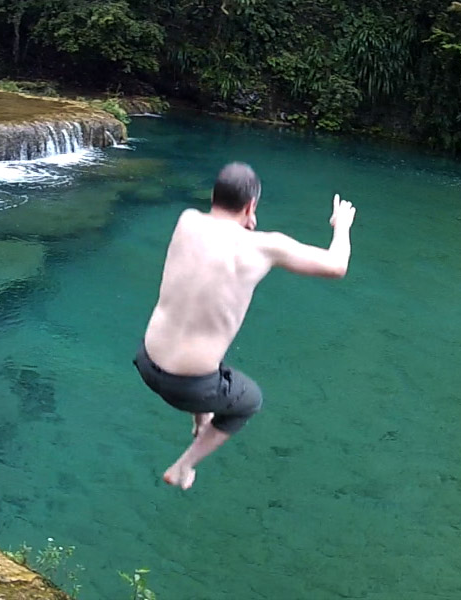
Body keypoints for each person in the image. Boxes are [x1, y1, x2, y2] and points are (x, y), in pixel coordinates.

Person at [133, 162, 356, 490]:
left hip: (147, 362)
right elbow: (337, 266)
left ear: (213, 196)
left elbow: (217, 244)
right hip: (188, 387)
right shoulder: (264, 246)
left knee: (206, 338)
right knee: (248, 400)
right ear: (251, 206)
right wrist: (342, 226)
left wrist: (244, 220)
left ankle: (201, 420)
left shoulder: (187, 221)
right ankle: (183, 467)